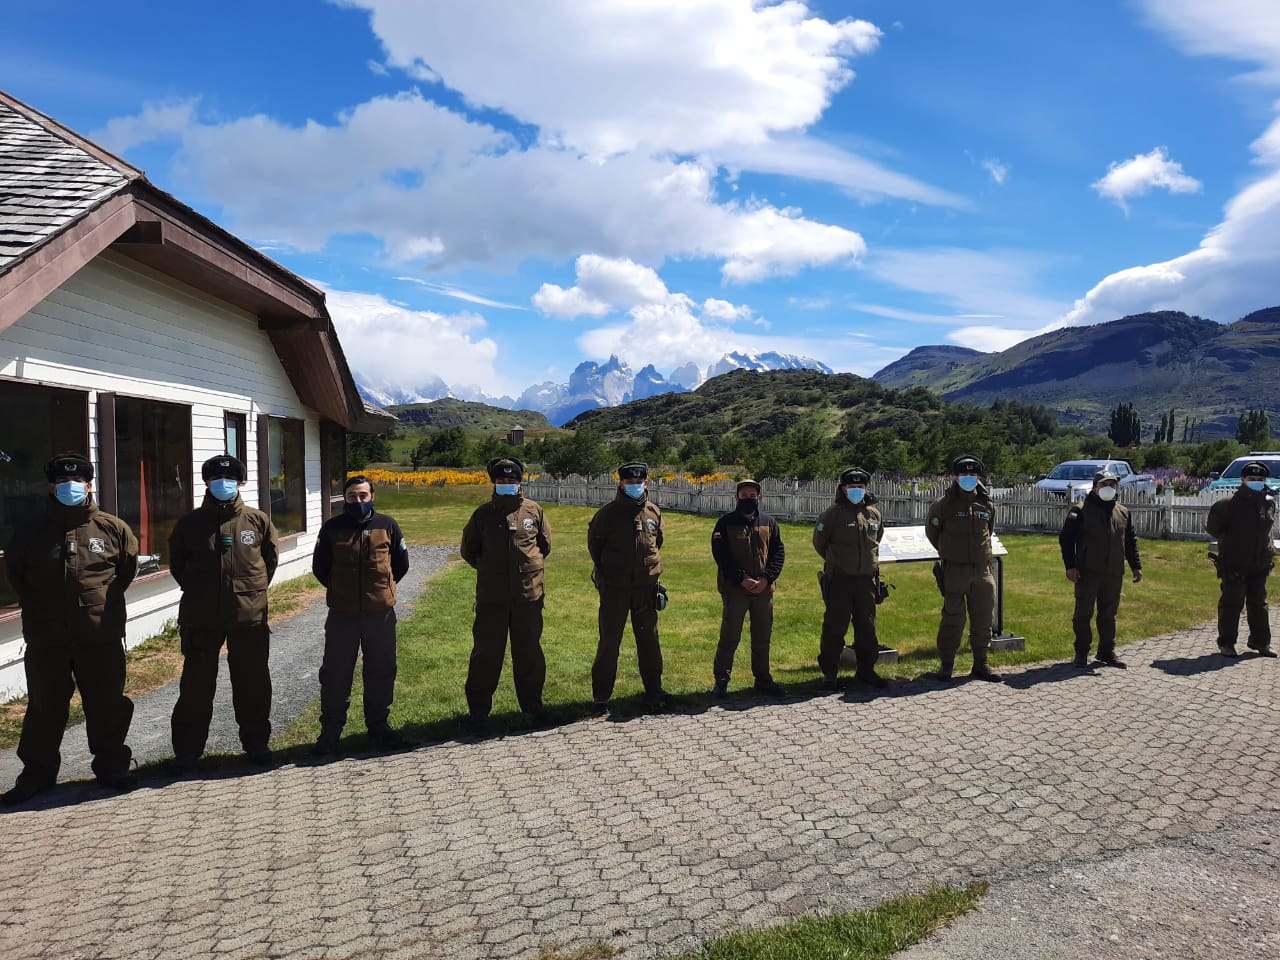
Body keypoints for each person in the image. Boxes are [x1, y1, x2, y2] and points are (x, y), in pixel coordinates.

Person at [2, 453, 139, 804]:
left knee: (107, 704)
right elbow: (16, 575)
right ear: (51, 486)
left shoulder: (112, 528)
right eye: (62, 483)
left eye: (77, 482)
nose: (70, 488)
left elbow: (125, 572)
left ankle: (112, 768)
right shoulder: (31, 532)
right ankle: (37, 775)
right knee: (44, 708)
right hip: (48, 639)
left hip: (100, 637)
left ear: (89, 485)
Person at [169, 455, 280, 772]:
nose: (222, 484)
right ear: (206, 482)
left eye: (229, 479)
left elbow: (269, 564)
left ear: (240, 483)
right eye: (216, 478)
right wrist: (204, 593)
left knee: (253, 683)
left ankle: (257, 745)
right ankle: (187, 753)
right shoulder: (189, 525)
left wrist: (247, 594)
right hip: (201, 618)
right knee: (195, 686)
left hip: (248, 618)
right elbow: (178, 567)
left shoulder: (258, 521)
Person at [311, 474, 411, 755]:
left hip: (380, 614)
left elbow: (401, 565)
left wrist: (381, 590)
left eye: (363, 496)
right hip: (342, 616)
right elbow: (321, 568)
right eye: (352, 496)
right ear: (345, 498)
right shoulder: (332, 528)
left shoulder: (387, 525)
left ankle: (379, 727)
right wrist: (343, 592)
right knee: (335, 673)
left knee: (381, 669)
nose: (358, 501)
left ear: (372, 497)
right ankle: (330, 733)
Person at [459, 457, 551, 730]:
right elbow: (469, 551)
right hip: (492, 599)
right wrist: (492, 571)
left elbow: (544, 546)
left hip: (528, 598)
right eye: (502, 481)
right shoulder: (483, 515)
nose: (507, 485)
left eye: (511, 481)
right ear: (494, 483)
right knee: (486, 654)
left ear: (520, 482)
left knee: (529, 653)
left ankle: (533, 708)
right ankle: (478, 713)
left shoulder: (534, 512)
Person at [587, 462, 670, 710]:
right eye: (629, 482)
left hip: (645, 588)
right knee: (609, 642)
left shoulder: (653, 512)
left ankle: (654, 691)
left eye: (639, 482)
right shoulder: (607, 514)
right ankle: (601, 697)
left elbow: (657, 542)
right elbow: (595, 548)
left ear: (646, 483)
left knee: (649, 641)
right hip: (615, 588)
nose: (634, 486)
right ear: (621, 483)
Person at [925, 454, 1003, 682]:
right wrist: (949, 551)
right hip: (955, 570)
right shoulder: (943, 505)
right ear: (955, 477)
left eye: (972, 474)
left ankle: (981, 664)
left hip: (982, 569)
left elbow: (989, 529)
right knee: (952, 618)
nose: (968, 478)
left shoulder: (985, 503)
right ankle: (946, 666)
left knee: (983, 619)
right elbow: (933, 533)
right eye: (963, 474)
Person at [1058, 468, 1142, 669]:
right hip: (1087, 572)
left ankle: (1106, 652)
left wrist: (1136, 566)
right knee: (1083, 614)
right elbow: (1066, 540)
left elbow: (1130, 541)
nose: (1109, 488)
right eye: (1104, 484)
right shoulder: (1079, 510)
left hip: (1113, 573)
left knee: (1108, 615)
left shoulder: (1122, 512)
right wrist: (1070, 566)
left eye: (1112, 485)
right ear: (1095, 487)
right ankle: (1081, 653)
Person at [711, 478, 786, 697]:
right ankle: (721, 680)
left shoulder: (769, 522)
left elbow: (778, 553)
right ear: (737, 497)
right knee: (729, 636)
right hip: (735, 590)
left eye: (752, 496)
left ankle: (763, 679)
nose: (748, 499)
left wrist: (766, 578)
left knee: (762, 637)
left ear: (759, 497)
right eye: (744, 495)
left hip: (763, 591)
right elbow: (721, 556)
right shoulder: (724, 523)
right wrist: (741, 579)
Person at [813, 467, 886, 690]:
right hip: (840, 580)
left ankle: (866, 670)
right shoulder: (832, 514)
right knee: (835, 627)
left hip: (866, 581)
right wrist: (838, 561)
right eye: (851, 487)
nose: (856, 490)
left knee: (867, 627)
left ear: (866, 488)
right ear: (843, 489)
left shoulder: (873, 514)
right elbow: (820, 543)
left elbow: (878, 538)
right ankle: (830, 673)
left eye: (860, 487)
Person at [1207, 460, 1277, 658]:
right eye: (1252, 479)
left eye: (1260, 479)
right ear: (1243, 480)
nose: (1256, 482)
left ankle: (1261, 642)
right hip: (1234, 563)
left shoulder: (1269, 502)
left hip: (1260, 562)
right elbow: (1214, 529)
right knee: (1232, 603)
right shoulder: (1227, 504)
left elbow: (1267, 529)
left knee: (1259, 604)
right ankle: (1227, 643)